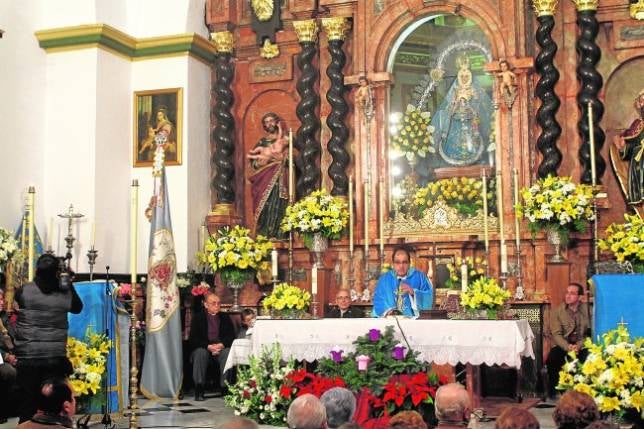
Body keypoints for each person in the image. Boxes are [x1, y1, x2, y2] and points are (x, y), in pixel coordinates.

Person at [14, 254, 83, 423]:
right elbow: (78, 307)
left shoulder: (24, 291)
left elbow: (18, 302)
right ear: (57, 273)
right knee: (53, 407)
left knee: (27, 405)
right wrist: (68, 282)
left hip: (28, 359)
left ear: (37, 270)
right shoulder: (65, 294)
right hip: (54, 359)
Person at [247, 112, 289, 238]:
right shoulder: (262, 142)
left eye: (271, 121)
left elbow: (295, 159)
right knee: (265, 205)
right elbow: (254, 164)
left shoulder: (285, 140)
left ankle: (279, 234)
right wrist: (261, 162)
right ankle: (264, 233)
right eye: (266, 122)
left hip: (281, 177)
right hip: (263, 178)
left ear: (276, 122)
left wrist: (284, 158)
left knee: (279, 203)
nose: (269, 124)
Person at [188, 292, 236, 401]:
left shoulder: (225, 317)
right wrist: (208, 346)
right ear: (206, 305)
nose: (217, 305)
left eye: (218, 303)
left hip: (220, 348)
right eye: (213, 303)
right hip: (205, 348)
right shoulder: (198, 317)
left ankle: (225, 388)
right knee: (200, 353)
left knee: (228, 352)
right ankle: (199, 388)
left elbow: (231, 336)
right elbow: (193, 339)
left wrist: (221, 345)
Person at [546, 283, 590, 398]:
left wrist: (578, 346)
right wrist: (568, 347)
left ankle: (582, 392)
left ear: (580, 297)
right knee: (552, 358)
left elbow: (589, 334)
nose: (568, 296)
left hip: (581, 345)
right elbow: (556, 335)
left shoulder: (588, 311)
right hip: (563, 345)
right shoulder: (557, 311)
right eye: (567, 292)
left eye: (572, 293)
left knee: (588, 357)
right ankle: (554, 391)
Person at [372, 245, 433, 318]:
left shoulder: (420, 277)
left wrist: (413, 293)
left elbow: (429, 297)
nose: (401, 266)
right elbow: (378, 300)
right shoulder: (384, 279)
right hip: (390, 321)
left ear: (409, 263)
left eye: (404, 262)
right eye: (397, 262)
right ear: (393, 264)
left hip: (414, 323)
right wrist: (388, 312)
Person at [613, 89, 644, 204]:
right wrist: (622, 147)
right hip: (639, 162)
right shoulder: (637, 124)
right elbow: (629, 143)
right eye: (642, 102)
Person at [0, 288, 17, 423]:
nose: (2, 302)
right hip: (1, 359)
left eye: (2, 299)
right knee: (8, 371)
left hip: (12, 355)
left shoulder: (4, 317)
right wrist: (6, 356)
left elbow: (14, 338)